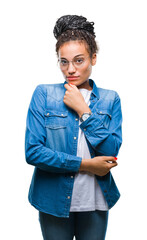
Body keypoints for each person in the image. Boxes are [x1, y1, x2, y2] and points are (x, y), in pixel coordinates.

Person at [25, 15, 122, 240]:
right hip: (52, 200)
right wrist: (86, 165)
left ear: (93, 58)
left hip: (96, 201)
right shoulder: (44, 94)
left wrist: (84, 112)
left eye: (79, 60)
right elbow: (33, 152)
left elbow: (111, 151)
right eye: (64, 61)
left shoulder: (110, 99)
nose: (70, 69)